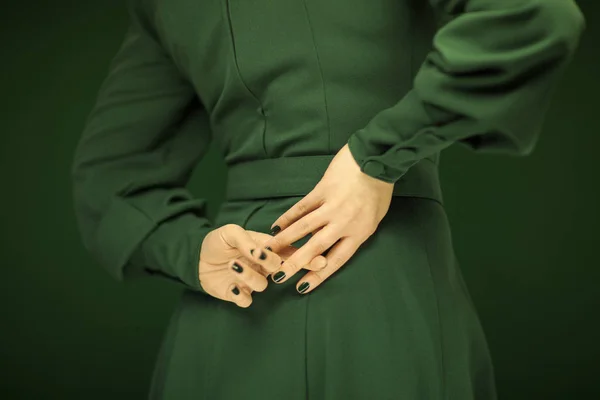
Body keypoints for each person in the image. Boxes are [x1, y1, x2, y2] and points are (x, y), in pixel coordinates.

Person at [70, 0, 585, 398]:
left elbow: (108, 178)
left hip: (229, 313)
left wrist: (190, 250)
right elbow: (533, 13)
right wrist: (375, 156)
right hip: (379, 296)